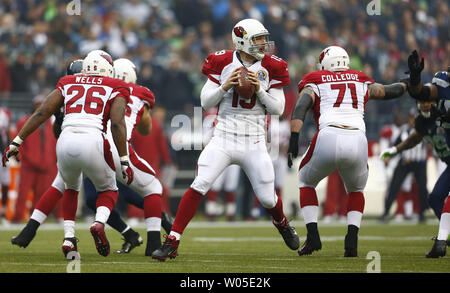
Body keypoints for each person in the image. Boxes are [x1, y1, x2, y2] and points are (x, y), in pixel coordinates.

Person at [152, 18, 299, 261]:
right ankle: (173, 240)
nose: (264, 44)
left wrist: (259, 89)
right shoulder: (221, 61)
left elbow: (279, 109)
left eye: (263, 38)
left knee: (266, 197)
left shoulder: (272, 65)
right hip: (224, 137)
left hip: (254, 140)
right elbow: (205, 102)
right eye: (258, 39)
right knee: (200, 183)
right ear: (242, 41)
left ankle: (282, 222)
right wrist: (224, 87)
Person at [3, 50, 134, 257]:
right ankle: (99, 223)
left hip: (65, 141)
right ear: (107, 68)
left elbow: (42, 112)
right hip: (93, 140)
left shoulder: (67, 81)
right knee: (109, 190)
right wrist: (125, 160)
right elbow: (117, 123)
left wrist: (16, 141)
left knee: (70, 187)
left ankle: (69, 238)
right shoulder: (116, 85)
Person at [287, 45, 408, 257]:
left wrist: (294, 139)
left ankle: (313, 235)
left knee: (306, 182)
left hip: (328, 135)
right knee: (355, 190)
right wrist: (412, 82)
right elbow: (392, 91)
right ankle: (351, 240)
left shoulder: (315, 79)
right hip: (358, 138)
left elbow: (301, 107)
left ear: (326, 63)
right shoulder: (360, 79)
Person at [381, 51, 450, 257]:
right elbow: (422, 93)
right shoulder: (442, 83)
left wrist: (445, 115)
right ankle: (443, 237)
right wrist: (415, 78)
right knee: (436, 197)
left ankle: (441, 241)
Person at [12, 94, 58, 223]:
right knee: (23, 193)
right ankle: (17, 217)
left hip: (46, 165)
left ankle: (35, 219)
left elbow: (55, 143)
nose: (40, 107)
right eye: (37, 105)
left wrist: (53, 160)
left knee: (41, 194)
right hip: (29, 164)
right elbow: (19, 141)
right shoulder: (24, 122)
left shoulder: (52, 123)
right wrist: (20, 157)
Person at [379, 107, 429, 222]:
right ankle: (386, 212)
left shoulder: (425, 130)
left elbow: (431, 144)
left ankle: (421, 214)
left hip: (420, 163)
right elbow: (397, 145)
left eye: (415, 118)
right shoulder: (403, 131)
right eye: (411, 118)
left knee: (422, 188)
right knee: (394, 186)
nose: (413, 121)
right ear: (409, 119)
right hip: (405, 162)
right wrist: (389, 157)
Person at [0, 107, 11, 223]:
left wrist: (9, 149)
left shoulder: (4, 113)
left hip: (2, 153)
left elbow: (6, 133)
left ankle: (3, 213)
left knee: (5, 183)